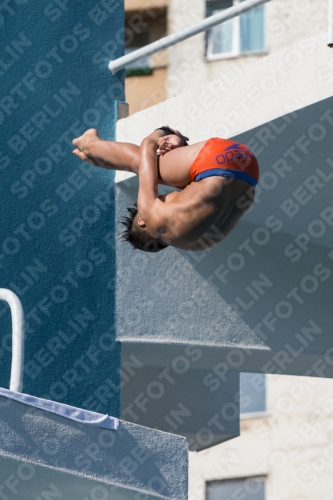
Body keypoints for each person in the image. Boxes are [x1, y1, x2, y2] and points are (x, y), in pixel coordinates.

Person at [72, 127, 259, 252]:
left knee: (176, 179)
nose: (163, 194)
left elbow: (207, 192)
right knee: (142, 163)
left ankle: (93, 156)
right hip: (220, 158)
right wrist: (164, 131)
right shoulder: (153, 219)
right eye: (161, 196)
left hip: (249, 170)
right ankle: (89, 145)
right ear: (143, 222)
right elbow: (147, 147)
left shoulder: (194, 245)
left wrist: (178, 147)